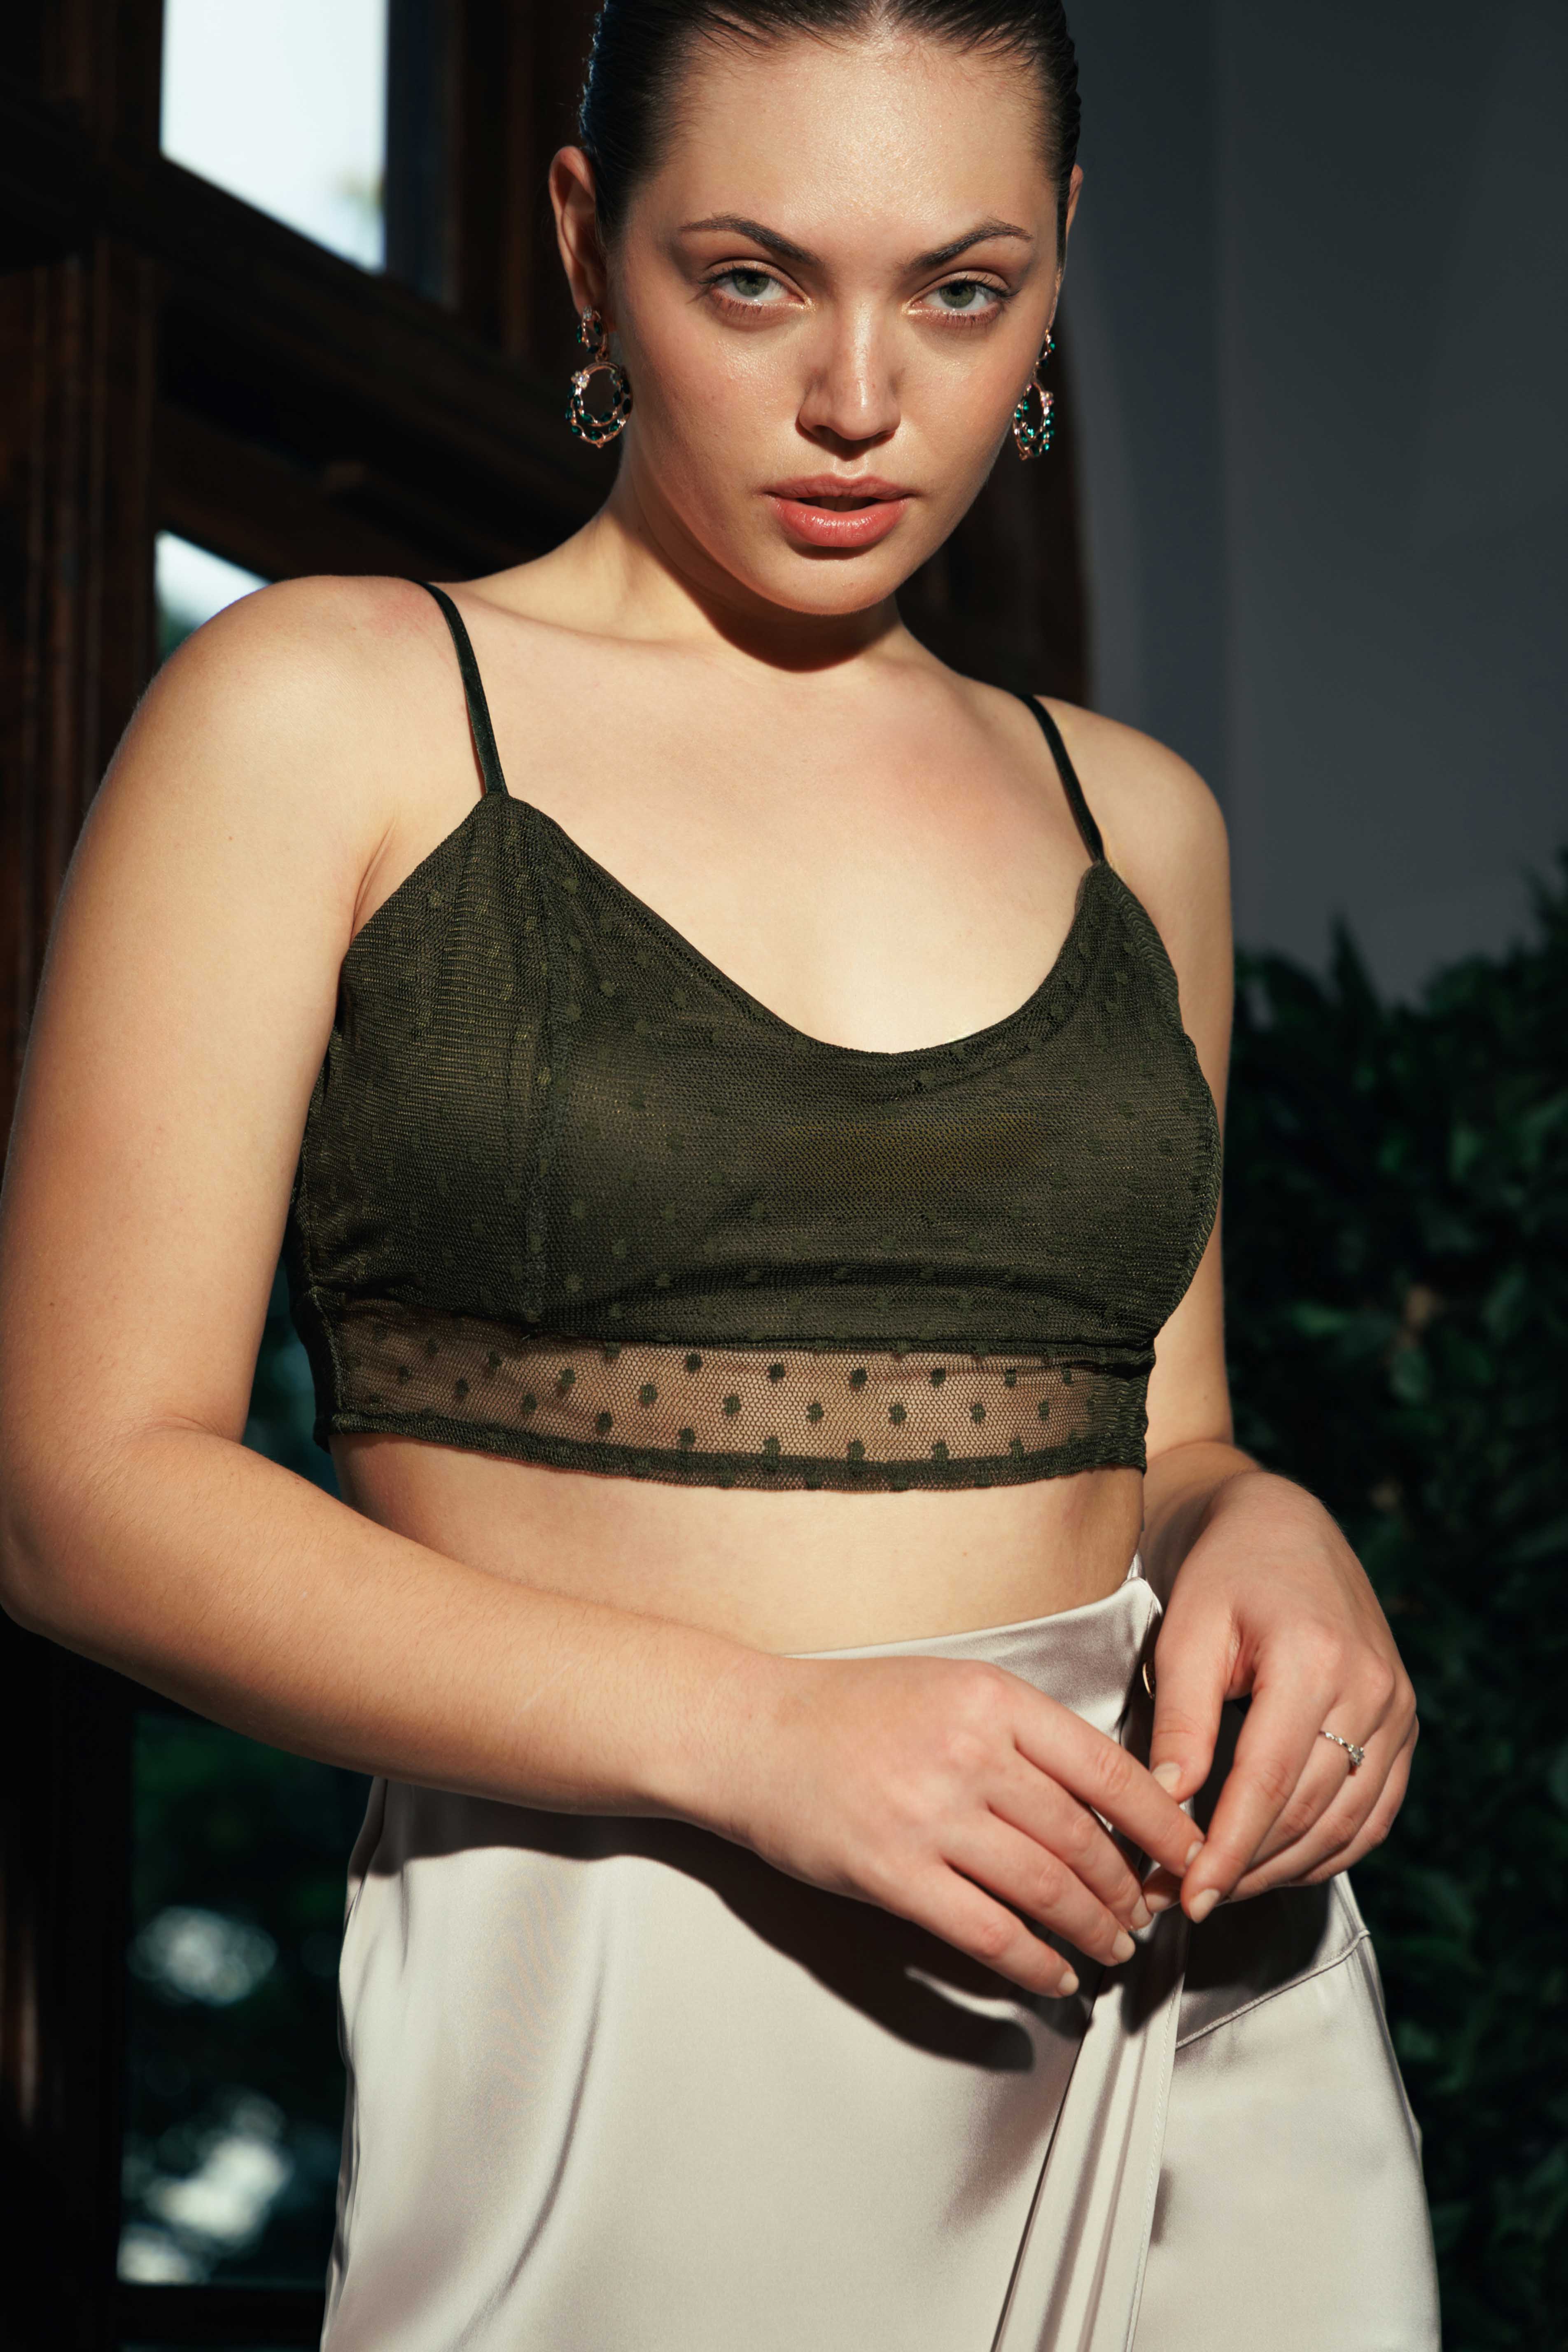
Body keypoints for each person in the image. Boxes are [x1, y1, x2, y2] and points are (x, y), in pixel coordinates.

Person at [0, 2, 1440, 2344]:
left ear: (1060, 255)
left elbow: (1159, 1436)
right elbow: (80, 1497)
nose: (862, 397)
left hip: (1187, 1995)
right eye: (754, 278)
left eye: (961, 290)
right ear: (590, 245)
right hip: (633, 2006)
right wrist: (755, 1734)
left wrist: (1265, 1526)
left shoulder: (1135, 819)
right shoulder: (329, 709)